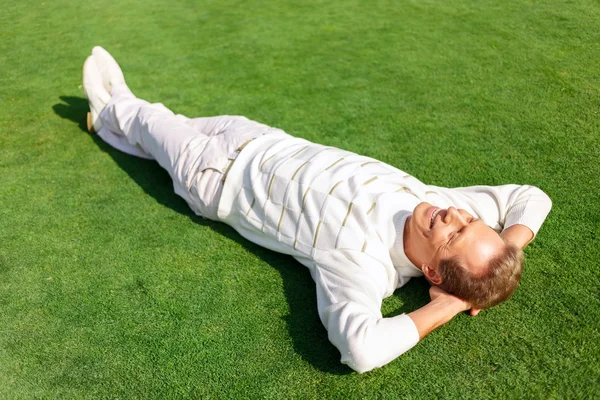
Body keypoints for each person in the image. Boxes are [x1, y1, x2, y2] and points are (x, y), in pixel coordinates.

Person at [82, 46, 552, 373]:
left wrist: (446, 308)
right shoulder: (443, 206)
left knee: (151, 117)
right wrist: (504, 253)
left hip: (213, 178)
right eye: (469, 221)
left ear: (431, 271)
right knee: (167, 126)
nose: (453, 216)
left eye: (454, 236)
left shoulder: (362, 265)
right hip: (259, 136)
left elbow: (362, 350)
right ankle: (110, 127)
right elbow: (532, 197)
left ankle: (112, 109)